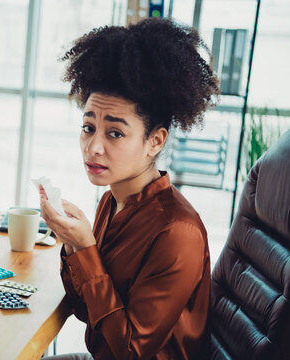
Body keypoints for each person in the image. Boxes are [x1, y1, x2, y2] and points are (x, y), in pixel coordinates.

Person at [40, 18, 219, 360]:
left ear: (155, 141)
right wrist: (72, 247)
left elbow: (130, 353)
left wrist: (85, 247)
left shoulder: (177, 232)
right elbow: (86, 312)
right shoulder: (112, 201)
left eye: (115, 133)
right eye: (88, 127)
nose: (93, 147)